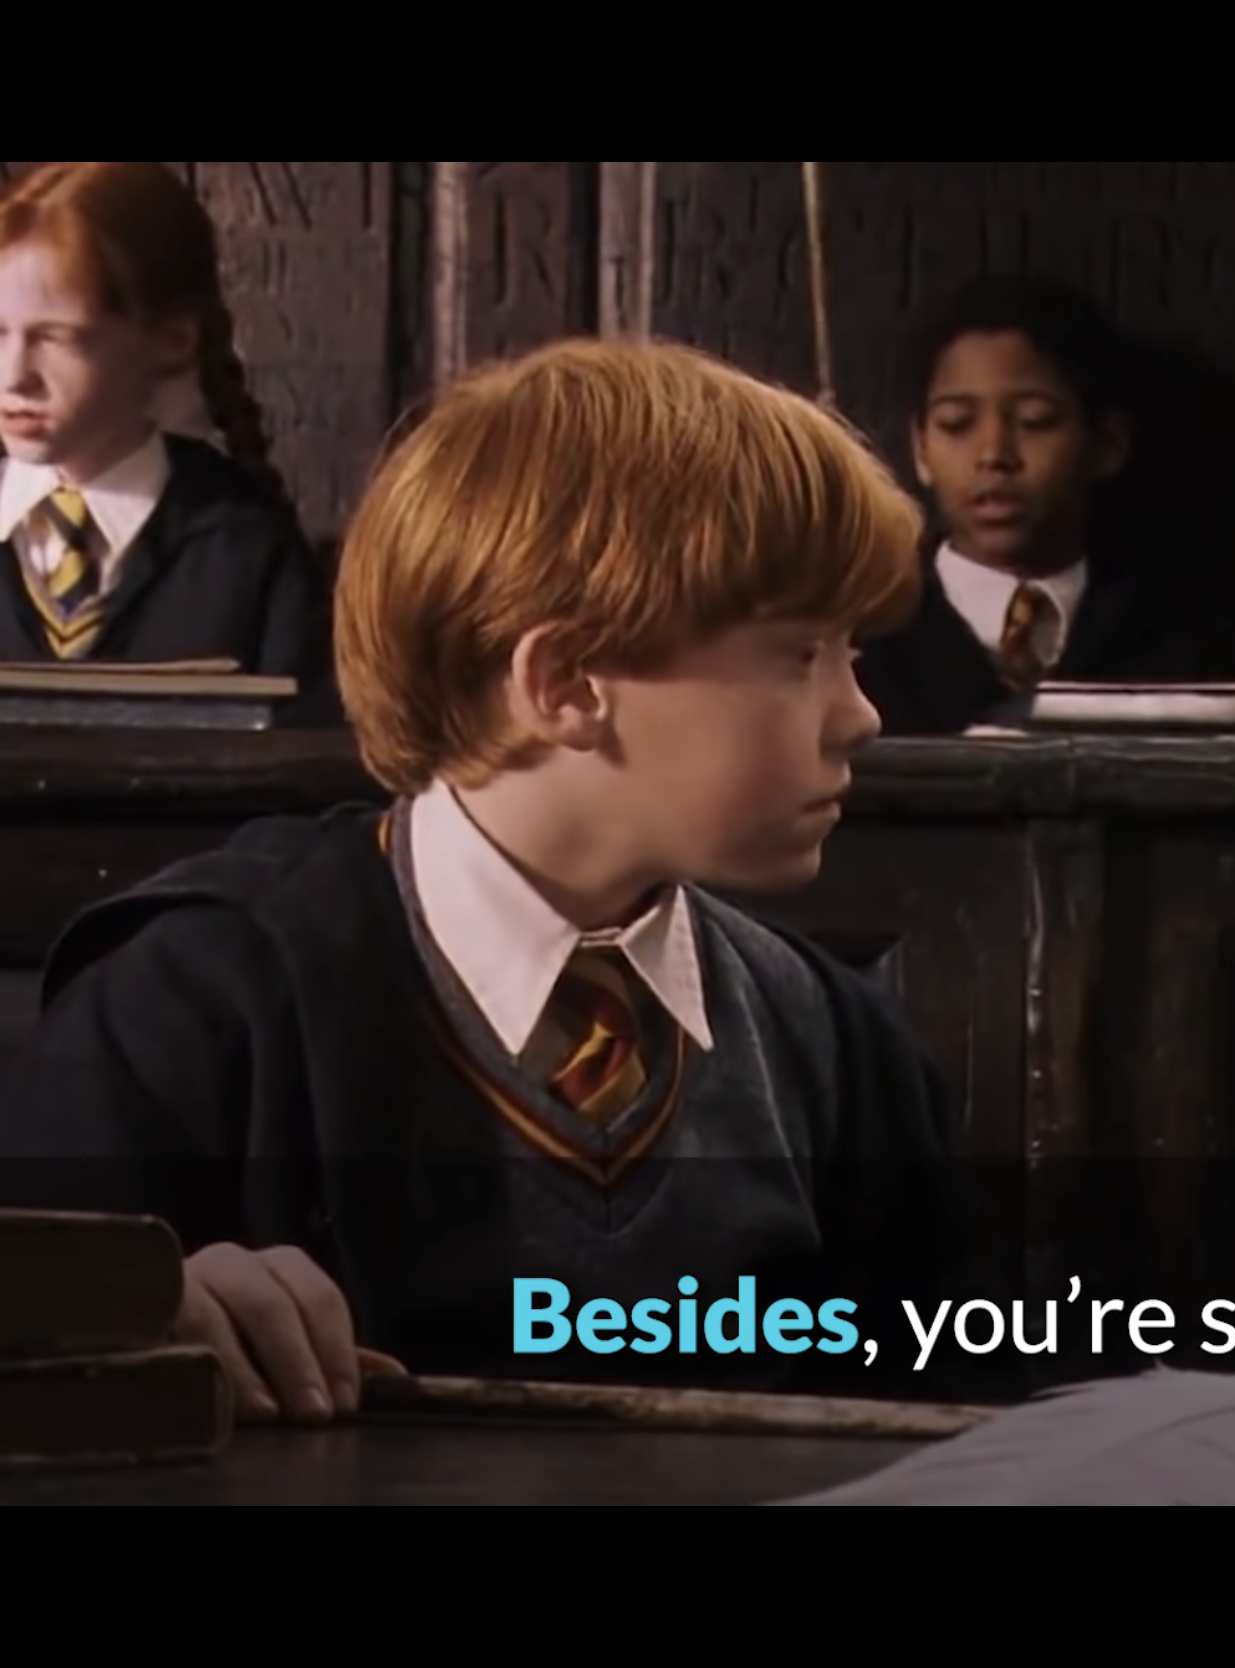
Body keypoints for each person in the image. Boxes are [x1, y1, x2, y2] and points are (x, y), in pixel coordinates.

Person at [0, 338, 967, 1421]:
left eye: (852, 652)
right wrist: (142, 1315)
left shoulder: (836, 1045)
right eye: (799, 656)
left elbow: (938, 1434)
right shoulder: (194, 1000)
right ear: (564, 682)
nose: (861, 715)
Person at [0, 162, 331, 713]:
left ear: (170, 341)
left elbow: (312, 751)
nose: (14, 376)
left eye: (56, 338)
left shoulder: (246, 550)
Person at [859, 274, 1213, 732]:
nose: (994, 455)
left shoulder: (1173, 637)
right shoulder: (867, 630)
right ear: (921, 449)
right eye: (957, 423)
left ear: (1107, 443)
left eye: (1035, 420)